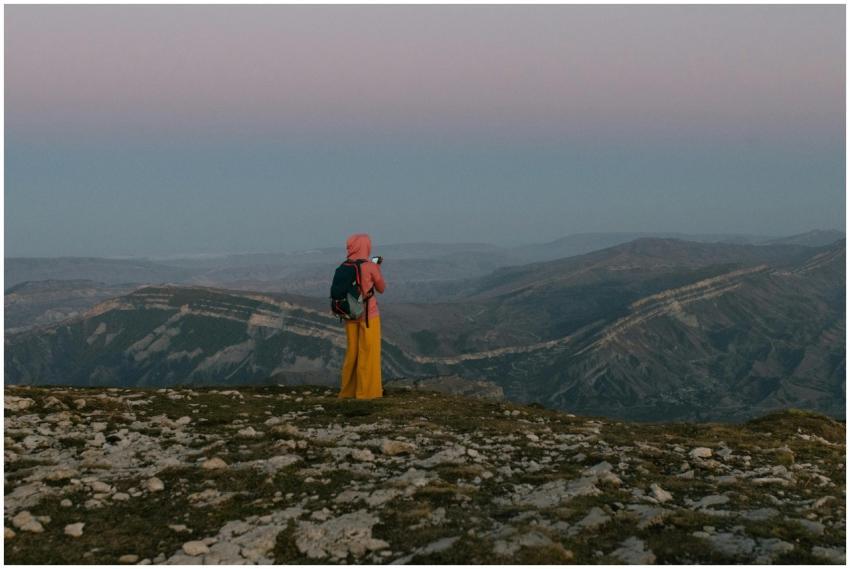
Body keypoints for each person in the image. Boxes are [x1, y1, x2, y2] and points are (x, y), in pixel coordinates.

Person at [339, 233, 386, 399]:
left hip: (350, 315)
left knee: (352, 353)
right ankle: (367, 392)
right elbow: (381, 288)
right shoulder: (370, 266)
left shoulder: (344, 266)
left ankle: (348, 391)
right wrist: (376, 268)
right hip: (368, 316)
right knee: (368, 353)